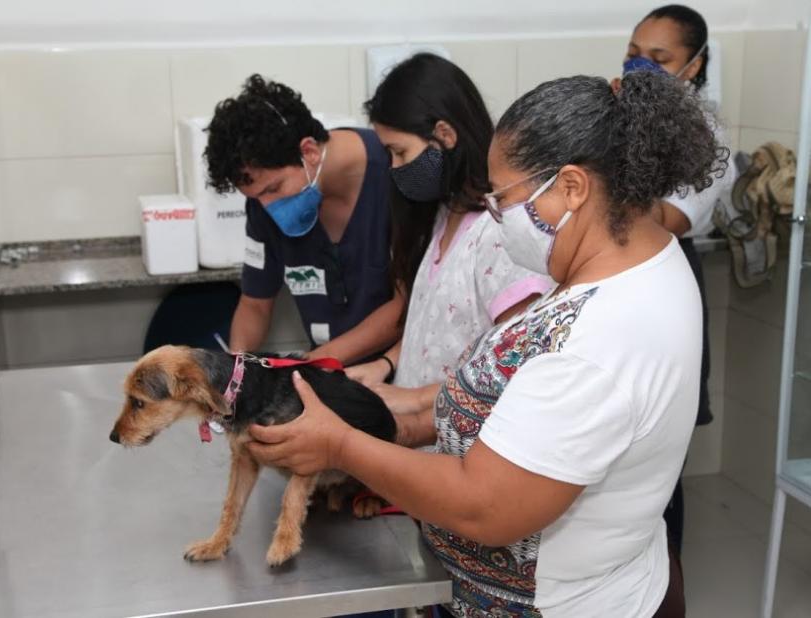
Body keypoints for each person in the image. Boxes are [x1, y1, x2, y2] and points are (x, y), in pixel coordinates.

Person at [246, 70, 727, 617]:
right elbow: (514, 395)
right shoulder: (636, 261)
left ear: (571, 187)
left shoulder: (599, 339)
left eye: (506, 199)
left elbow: (485, 508)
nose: (497, 216)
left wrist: (339, 446)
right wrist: (390, 409)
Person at [346, 53, 550, 417]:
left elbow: (515, 367)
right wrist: (386, 365)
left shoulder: (499, 233)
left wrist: (418, 399)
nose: (393, 167)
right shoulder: (443, 216)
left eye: (399, 152)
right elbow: (434, 327)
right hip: (421, 445)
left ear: (445, 135)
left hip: (465, 448)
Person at [617, 3, 735, 554]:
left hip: (664, 280)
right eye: (635, 55)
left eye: (660, 60)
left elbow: (667, 219)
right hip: (606, 276)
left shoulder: (706, 137)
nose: (643, 67)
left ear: (695, 65)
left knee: (657, 464)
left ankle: (664, 595)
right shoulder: (613, 112)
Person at [205, 75, 402, 363]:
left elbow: (407, 305)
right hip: (330, 370)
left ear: (308, 151)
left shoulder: (394, 170)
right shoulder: (262, 204)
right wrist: (237, 367)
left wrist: (316, 363)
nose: (267, 206)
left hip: (400, 366)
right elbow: (255, 304)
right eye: (256, 197)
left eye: (273, 188)